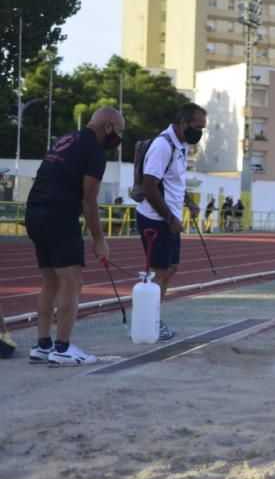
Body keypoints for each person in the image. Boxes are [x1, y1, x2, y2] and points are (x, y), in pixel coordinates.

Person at [25, 106, 125, 366]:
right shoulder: (94, 150)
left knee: (50, 283)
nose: (119, 137)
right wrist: (100, 240)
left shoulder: (64, 140)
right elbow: (88, 199)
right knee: (72, 282)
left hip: (35, 211)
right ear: (108, 127)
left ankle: (42, 344)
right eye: (120, 131)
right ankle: (63, 348)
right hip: (59, 216)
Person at [136, 103, 207, 341]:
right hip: (156, 219)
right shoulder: (163, 145)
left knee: (171, 268)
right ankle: (149, 320)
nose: (200, 132)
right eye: (198, 127)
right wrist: (169, 218)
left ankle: (152, 316)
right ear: (183, 123)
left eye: (203, 128)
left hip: (170, 218)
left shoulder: (182, 145)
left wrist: (188, 201)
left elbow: (174, 180)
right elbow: (149, 186)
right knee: (159, 272)